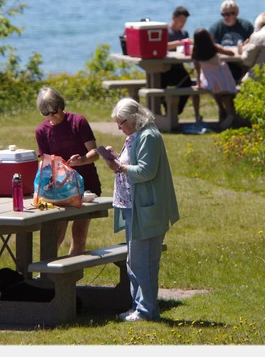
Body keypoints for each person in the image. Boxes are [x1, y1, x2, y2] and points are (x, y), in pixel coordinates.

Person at [99, 98, 179, 322]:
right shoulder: (136, 134)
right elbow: (132, 163)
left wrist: (120, 167)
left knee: (142, 261)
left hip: (145, 208)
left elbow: (146, 171)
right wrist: (116, 159)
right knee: (135, 261)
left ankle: (145, 310)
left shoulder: (149, 136)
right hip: (133, 206)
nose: (119, 127)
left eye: (121, 122)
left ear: (134, 118)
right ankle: (140, 308)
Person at [34, 87, 102, 256]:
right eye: (46, 114)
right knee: (56, 234)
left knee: (79, 234)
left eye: (54, 112)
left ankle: (72, 275)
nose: (51, 117)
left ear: (61, 105)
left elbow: (95, 153)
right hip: (59, 189)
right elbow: (46, 163)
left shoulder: (78, 122)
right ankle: (47, 276)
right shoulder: (41, 131)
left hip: (85, 186)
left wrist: (82, 160)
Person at [191, 28, 238, 130]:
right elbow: (231, 53)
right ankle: (229, 113)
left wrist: (198, 84)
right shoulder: (214, 48)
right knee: (224, 92)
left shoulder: (195, 52)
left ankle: (200, 115)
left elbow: (197, 70)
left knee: (196, 91)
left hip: (209, 80)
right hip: (222, 78)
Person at [161, 6, 201, 122]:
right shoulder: (166, 32)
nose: (182, 24)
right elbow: (163, 46)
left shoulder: (184, 33)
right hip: (164, 68)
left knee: (188, 84)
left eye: (184, 21)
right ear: (174, 18)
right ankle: (166, 111)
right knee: (159, 86)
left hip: (178, 68)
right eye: (180, 20)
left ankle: (176, 110)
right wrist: (180, 43)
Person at [208, 0, 254, 84]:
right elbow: (208, 45)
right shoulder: (216, 28)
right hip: (222, 63)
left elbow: (255, 44)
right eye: (224, 14)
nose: (226, 17)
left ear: (236, 13)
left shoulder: (246, 27)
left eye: (229, 14)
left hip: (241, 62)